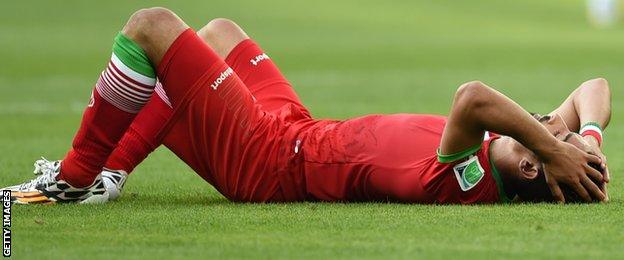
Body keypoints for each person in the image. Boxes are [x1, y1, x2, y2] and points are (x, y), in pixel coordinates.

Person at [3, 8, 610, 205]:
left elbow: (473, 96)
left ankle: (75, 179)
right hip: (297, 129)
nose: (538, 121)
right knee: (219, 32)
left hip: (267, 162)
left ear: (530, 167)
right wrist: (582, 138)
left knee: (152, 27)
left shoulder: (464, 175)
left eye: (533, 134)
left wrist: (555, 145)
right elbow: (596, 85)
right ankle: (114, 172)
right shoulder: (530, 152)